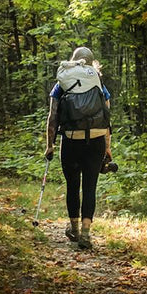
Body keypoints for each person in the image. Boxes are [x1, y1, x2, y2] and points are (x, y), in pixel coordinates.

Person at [44, 46, 112, 250]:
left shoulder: (62, 83)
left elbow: (53, 116)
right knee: (90, 186)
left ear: (73, 60)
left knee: (73, 184)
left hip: (72, 140)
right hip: (97, 140)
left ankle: (73, 228)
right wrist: (108, 149)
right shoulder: (98, 82)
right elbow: (107, 118)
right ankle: (86, 234)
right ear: (92, 63)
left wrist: (50, 145)